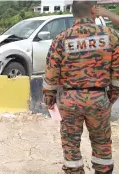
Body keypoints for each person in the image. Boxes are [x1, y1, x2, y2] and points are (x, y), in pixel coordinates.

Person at [43, 1, 118, 174]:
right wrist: (110, 98)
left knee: (71, 146)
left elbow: (52, 73)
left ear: (73, 13)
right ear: (93, 10)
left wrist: (49, 99)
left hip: (69, 101)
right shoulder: (110, 35)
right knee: (102, 144)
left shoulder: (61, 38)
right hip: (99, 99)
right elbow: (117, 74)